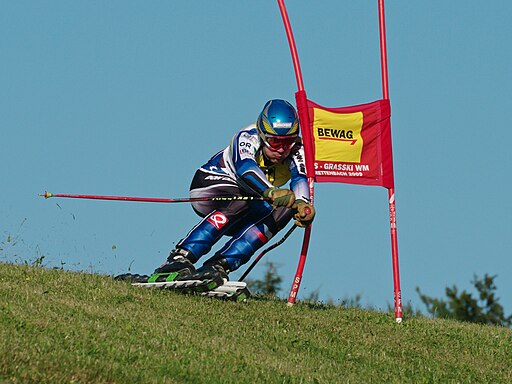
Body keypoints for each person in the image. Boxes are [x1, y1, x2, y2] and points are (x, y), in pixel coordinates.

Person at [153, 99, 315, 290]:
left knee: (284, 210)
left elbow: (300, 177)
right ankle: (181, 256)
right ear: (263, 135)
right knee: (242, 199)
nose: (281, 149)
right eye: (274, 141)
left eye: (287, 142)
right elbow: (246, 168)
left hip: (251, 200)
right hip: (210, 185)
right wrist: (271, 191)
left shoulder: (297, 150)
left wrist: (302, 205)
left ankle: (220, 264)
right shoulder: (247, 137)